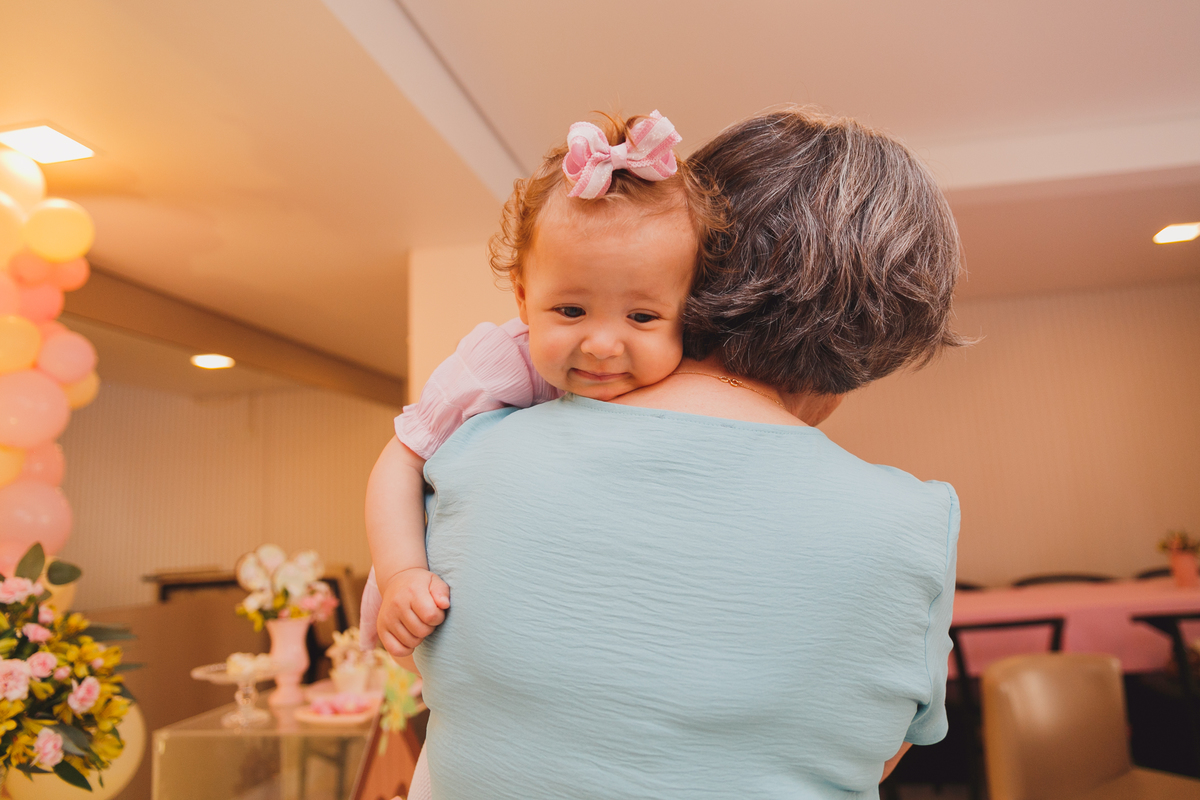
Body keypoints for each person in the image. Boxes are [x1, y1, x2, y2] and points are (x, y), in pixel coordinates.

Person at [406, 107, 964, 799]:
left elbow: (442, 682)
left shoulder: (466, 454)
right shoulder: (917, 524)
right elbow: (874, 755)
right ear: (879, 341)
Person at [360, 110, 725, 658]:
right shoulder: (499, 364)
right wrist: (401, 573)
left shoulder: (691, 382)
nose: (602, 345)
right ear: (523, 296)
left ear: (688, 313)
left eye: (642, 317)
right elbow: (401, 462)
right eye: (571, 310)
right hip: (433, 597)